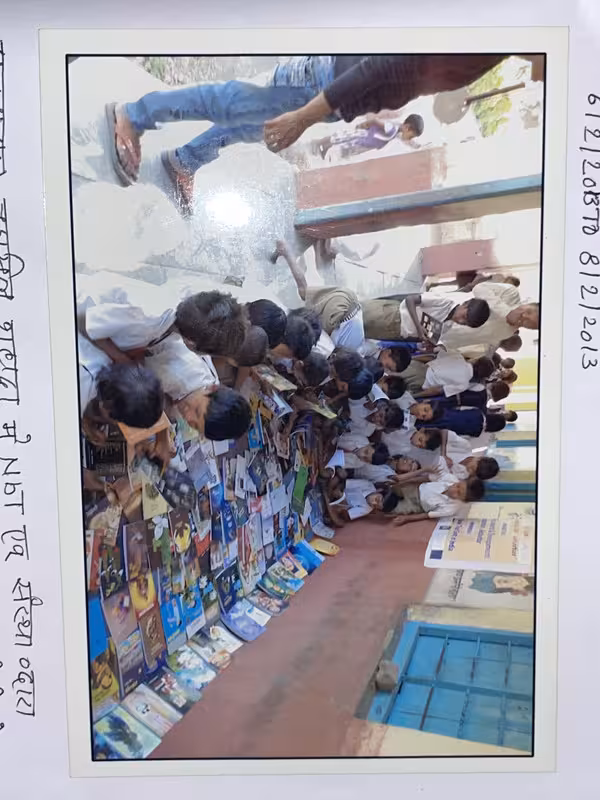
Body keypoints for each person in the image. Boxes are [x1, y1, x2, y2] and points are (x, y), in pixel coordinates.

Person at [106, 54, 543, 211]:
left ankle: (184, 161)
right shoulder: (491, 38)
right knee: (227, 103)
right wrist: (305, 115)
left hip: (331, 97)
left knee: (246, 129)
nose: (543, 78)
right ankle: (135, 115)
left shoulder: (496, 49)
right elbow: (382, 64)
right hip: (323, 83)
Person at [77, 271, 247, 362]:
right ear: (191, 343)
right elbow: (83, 320)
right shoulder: (148, 315)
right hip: (74, 308)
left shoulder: (182, 316)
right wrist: (121, 359)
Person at [276, 238, 366, 350]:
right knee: (304, 293)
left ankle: (324, 246)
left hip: (350, 301)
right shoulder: (329, 348)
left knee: (324, 276)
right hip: (340, 310)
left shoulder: (359, 349)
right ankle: (286, 252)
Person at [440, 282, 539, 351]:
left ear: (530, 328)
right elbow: (479, 288)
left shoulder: (507, 333)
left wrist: (445, 345)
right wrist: (506, 312)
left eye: (528, 322)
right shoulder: (511, 293)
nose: (524, 316)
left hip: (442, 335)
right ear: (529, 304)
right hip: (444, 309)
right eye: (529, 311)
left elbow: (470, 339)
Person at [361, 291, 490, 344]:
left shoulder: (447, 327)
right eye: (464, 316)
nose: (461, 321)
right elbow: (411, 300)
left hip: (394, 332)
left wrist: (427, 342)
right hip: (391, 315)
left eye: (465, 323)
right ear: (465, 304)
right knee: (353, 317)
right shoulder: (444, 302)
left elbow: (424, 334)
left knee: (357, 333)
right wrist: (418, 326)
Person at [312, 112, 424, 160]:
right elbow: (375, 121)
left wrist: (416, 145)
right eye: (411, 136)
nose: (409, 139)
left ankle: (320, 146)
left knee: (341, 140)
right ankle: (319, 146)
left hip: (366, 140)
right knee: (342, 143)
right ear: (407, 127)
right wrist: (363, 125)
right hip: (364, 139)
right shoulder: (392, 130)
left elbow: (404, 139)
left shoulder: (398, 127)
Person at [390, 474, 485, 525]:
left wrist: (406, 518)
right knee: (389, 488)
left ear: (463, 500)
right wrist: (405, 481)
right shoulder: (450, 478)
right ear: (460, 481)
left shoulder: (452, 508)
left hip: (416, 505)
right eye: (458, 486)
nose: (454, 490)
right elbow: (427, 478)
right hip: (414, 488)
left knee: (390, 507)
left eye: (459, 493)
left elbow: (427, 515)